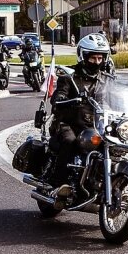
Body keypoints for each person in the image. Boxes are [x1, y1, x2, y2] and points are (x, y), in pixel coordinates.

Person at [47, 33, 112, 203]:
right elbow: (57, 98)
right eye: (93, 58)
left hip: (95, 126)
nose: (97, 62)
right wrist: (64, 100)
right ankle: (58, 184)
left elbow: (114, 99)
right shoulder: (69, 78)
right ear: (83, 57)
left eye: (100, 58)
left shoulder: (106, 80)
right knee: (69, 142)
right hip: (68, 123)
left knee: (114, 145)